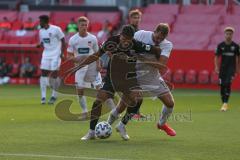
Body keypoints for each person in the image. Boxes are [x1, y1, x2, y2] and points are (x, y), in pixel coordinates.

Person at [78, 25, 161, 140]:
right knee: (98, 101)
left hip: (129, 79)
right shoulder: (111, 42)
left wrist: (157, 64)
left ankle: (122, 125)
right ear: (120, 35)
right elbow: (97, 54)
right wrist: (82, 64)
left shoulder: (137, 45)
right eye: (123, 39)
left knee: (138, 100)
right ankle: (91, 132)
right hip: (112, 77)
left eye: (128, 40)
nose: (125, 42)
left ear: (132, 39)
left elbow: (156, 50)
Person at [107, 23, 176, 140]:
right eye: (157, 37)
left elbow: (161, 65)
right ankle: (108, 126)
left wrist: (140, 58)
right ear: (155, 31)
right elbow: (123, 40)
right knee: (123, 106)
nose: (159, 40)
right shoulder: (141, 35)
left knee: (170, 103)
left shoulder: (167, 45)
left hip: (152, 77)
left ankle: (161, 124)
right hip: (134, 75)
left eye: (162, 38)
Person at [67, 16, 103, 119]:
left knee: (100, 90)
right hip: (80, 68)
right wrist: (76, 60)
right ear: (78, 26)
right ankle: (84, 112)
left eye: (85, 25)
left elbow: (97, 53)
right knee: (80, 91)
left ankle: (112, 111)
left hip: (92, 67)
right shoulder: (73, 39)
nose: (84, 27)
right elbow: (69, 55)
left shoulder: (92, 38)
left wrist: (98, 65)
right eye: (82, 25)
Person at [37, 15, 66, 105]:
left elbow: (63, 40)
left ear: (45, 21)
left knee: (54, 74)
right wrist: (39, 45)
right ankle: (43, 97)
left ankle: (54, 95)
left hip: (56, 54)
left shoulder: (56, 29)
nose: (39, 23)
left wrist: (62, 52)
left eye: (40, 21)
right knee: (43, 73)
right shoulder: (41, 31)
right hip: (46, 54)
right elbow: (43, 42)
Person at [214, 27, 240, 111]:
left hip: (231, 69)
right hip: (222, 69)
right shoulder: (220, 45)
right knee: (222, 85)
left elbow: (237, 58)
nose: (228, 35)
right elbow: (216, 57)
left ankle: (225, 103)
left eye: (230, 34)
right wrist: (216, 67)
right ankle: (224, 103)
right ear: (224, 35)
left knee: (228, 83)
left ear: (232, 35)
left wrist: (237, 68)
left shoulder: (235, 46)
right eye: (227, 33)